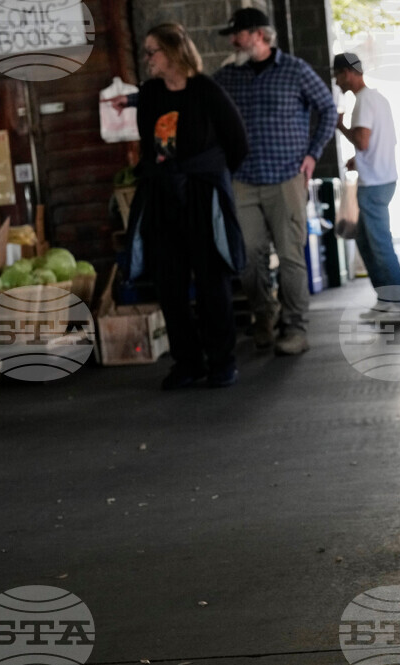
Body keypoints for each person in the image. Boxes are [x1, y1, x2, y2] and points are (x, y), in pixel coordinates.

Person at [124, 23, 249, 390]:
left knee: (212, 282)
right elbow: (149, 146)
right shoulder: (149, 95)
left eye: (152, 51)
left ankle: (222, 360)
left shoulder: (205, 91)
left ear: (174, 52)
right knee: (170, 283)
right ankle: (188, 361)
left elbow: (237, 144)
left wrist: (210, 178)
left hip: (200, 195)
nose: (147, 58)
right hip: (163, 195)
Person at [212, 8, 337, 355]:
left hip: (286, 179)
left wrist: (312, 154)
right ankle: (264, 316)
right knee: (249, 256)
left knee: (290, 256)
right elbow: (196, 97)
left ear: (259, 35)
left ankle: (295, 328)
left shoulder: (296, 70)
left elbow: (327, 108)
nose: (233, 41)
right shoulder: (227, 77)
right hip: (243, 181)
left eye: (238, 34)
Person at [333, 53, 400, 324]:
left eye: (337, 75)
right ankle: (385, 301)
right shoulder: (378, 99)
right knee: (367, 243)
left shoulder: (364, 101)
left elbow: (363, 140)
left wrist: (340, 125)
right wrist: (360, 160)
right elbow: (379, 141)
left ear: (347, 72)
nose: (337, 81)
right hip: (382, 178)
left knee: (379, 245)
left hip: (375, 184)